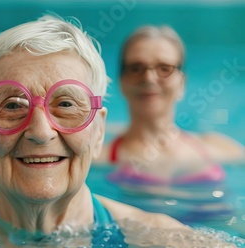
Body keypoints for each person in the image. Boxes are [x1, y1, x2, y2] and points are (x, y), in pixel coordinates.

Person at [0, 15, 244, 248]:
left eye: (66, 104)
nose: (41, 132)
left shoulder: (161, 240)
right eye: (12, 105)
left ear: (99, 130)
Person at [97, 25, 245, 185]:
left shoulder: (218, 148)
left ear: (181, 82)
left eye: (164, 68)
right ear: (121, 81)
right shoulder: (99, 159)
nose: (149, 78)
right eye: (136, 68)